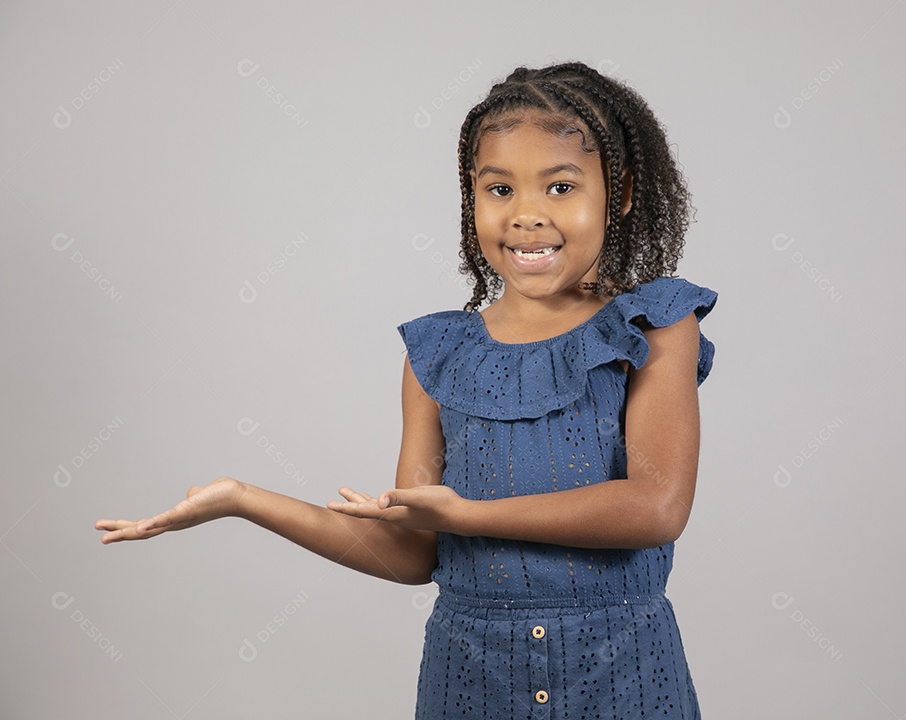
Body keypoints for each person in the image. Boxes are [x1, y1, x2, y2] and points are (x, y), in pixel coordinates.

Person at [96, 60, 718, 719]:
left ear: (618, 193)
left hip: (624, 680)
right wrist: (243, 500)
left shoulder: (653, 325)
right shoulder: (440, 354)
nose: (527, 215)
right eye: (499, 189)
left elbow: (656, 508)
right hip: (471, 684)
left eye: (561, 187)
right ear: (471, 196)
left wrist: (465, 516)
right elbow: (410, 548)